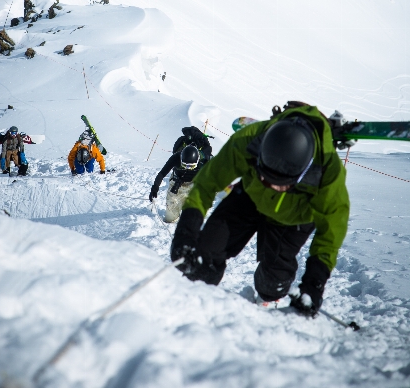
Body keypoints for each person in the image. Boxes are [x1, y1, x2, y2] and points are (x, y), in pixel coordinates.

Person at [170, 102, 350, 316]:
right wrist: (186, 231)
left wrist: (314, 283)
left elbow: (331, 231)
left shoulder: (328, 171)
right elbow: (208, 183)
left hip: (294, 218)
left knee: (274, 281)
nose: (272, 186)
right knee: (204, 253)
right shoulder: (249, 140)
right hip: (250, 197)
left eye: (281, 184)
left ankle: (267, 298)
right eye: (267, 178)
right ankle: (197, 299)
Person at [149, 126, 213, 223]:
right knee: (170, 219)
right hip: (177, 182)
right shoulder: (176, 157)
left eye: (190, 166)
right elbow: (162, 173)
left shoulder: (205, 160)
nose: (187, 168)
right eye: (185, 165)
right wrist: (155, 187)